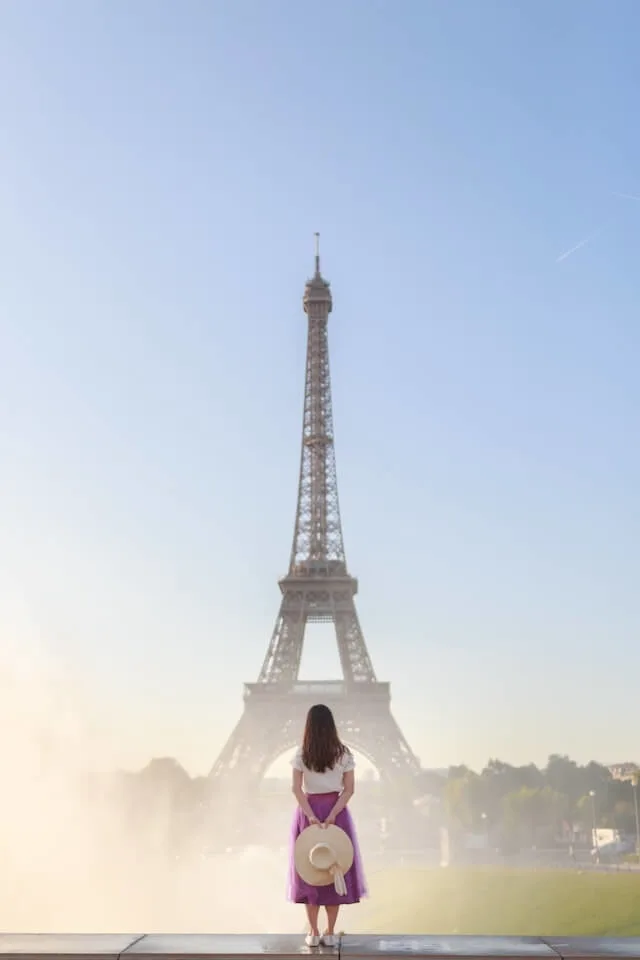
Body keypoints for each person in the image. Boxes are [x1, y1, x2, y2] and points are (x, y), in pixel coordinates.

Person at [287, 703, 367, 946]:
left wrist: (310, 815)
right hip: (337, 814)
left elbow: (296, 789)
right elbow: (349, 790)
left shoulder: (302, 754)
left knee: (309, 871)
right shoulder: (344, 754)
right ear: (332, 726)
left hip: (308, 812)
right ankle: (330, 932)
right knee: (335, 871)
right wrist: (332, 814)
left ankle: (312, 932)